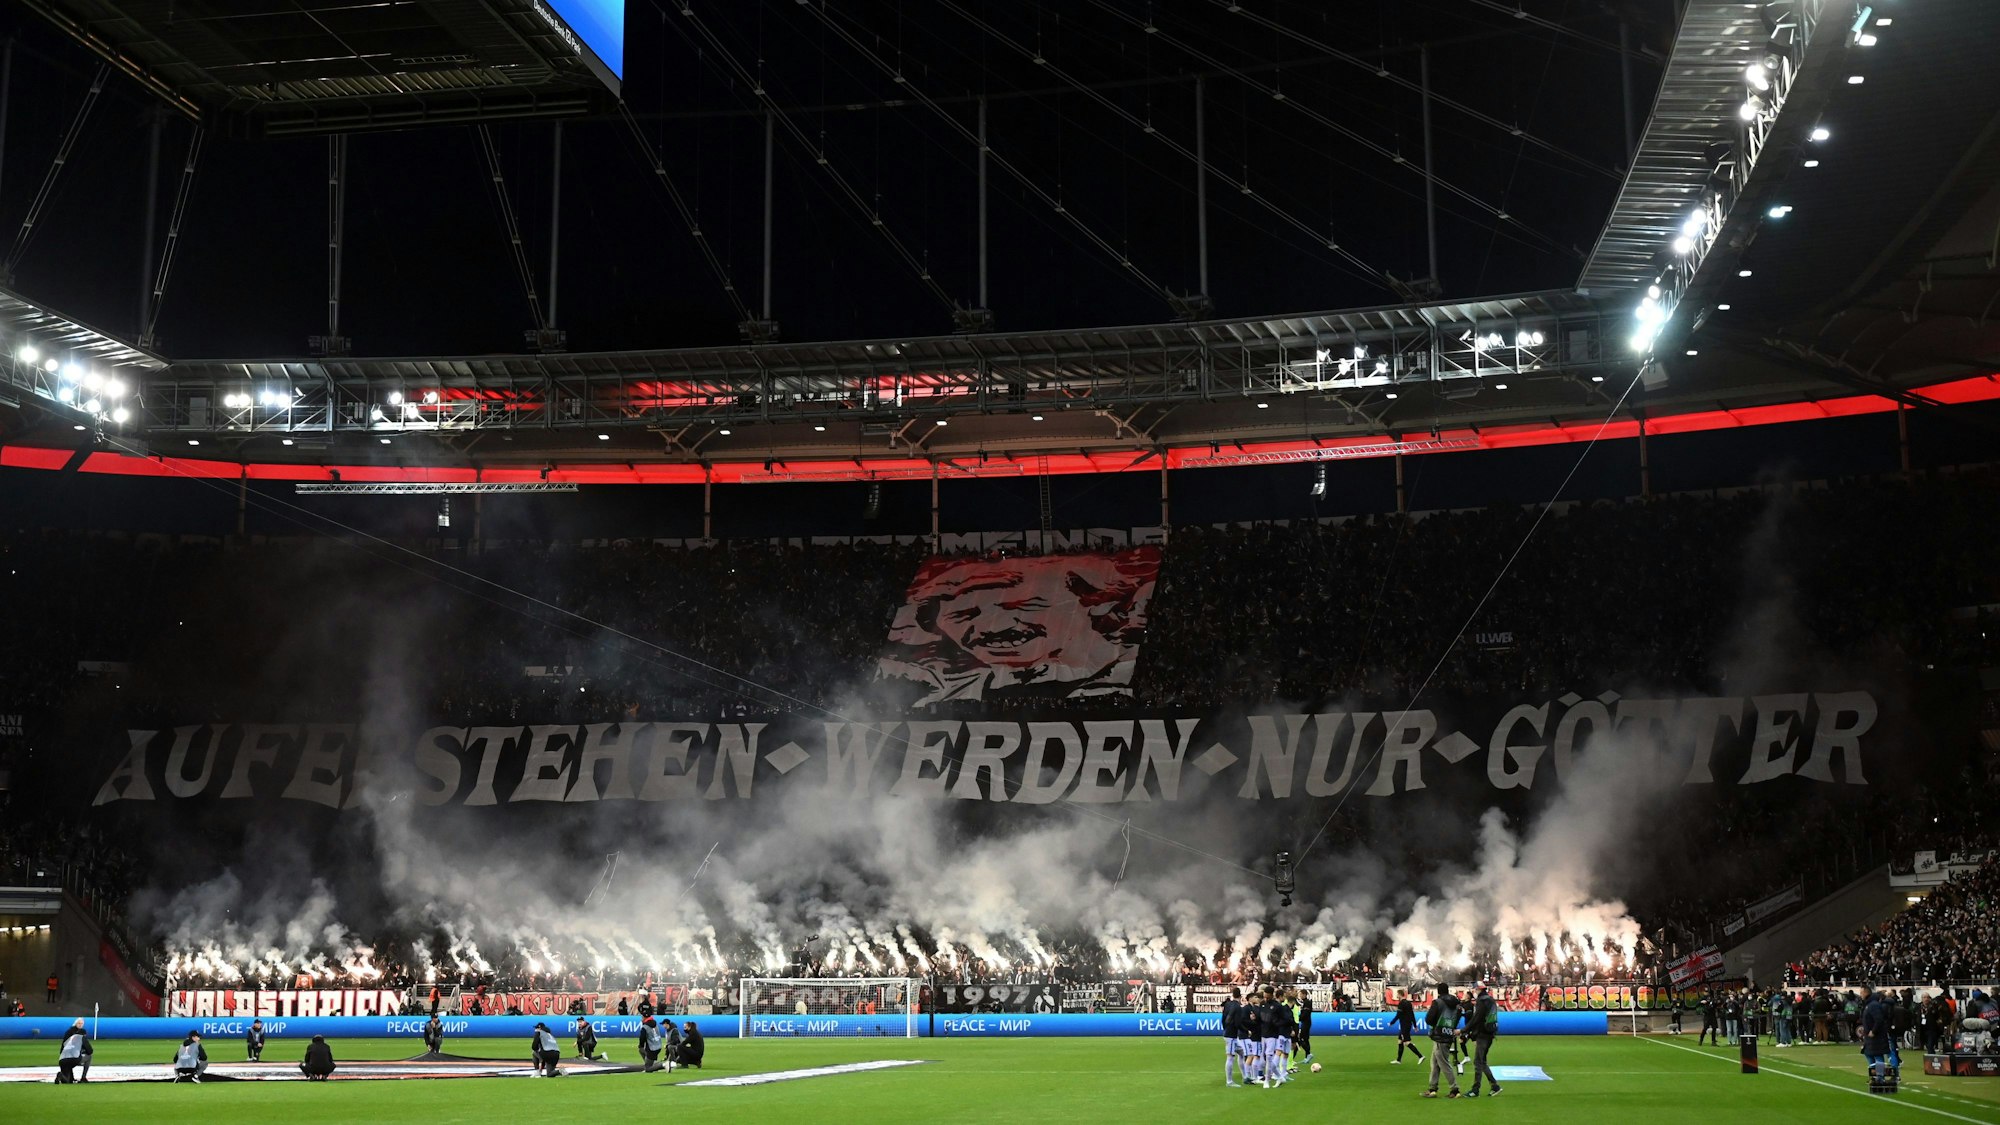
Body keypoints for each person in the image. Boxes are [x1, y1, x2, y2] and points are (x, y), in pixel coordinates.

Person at [1423, 985, 1462, 1099]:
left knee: (1444, 1063)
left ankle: (1455, 1089)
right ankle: (1432, 1088)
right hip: (1448, 1034)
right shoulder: (1456, 1003)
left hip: (1439, 1035)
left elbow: (1429, 1019)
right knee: (1435, 1063)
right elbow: (1459, 1016)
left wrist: (1436, 1024)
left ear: (1438, 991)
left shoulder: (1438, 1002)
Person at [1464, 985, 1502, 1098]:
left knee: (1478, 1062)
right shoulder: (1490, 1000)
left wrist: (1464, 1031)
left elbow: (1477, 1018)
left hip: (1483, 1034)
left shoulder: (1481, 1001)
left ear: (1478, 990)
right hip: (1490, 1033)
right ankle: (1495, 1086)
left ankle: (1475, 1089)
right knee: (1482, 1061)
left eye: (1475, 989)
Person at [1860, 986, 1894, 1084]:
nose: (1860, 995)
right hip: (1870, 1036)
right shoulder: (1869, 1004)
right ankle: (1874, 1076)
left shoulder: (1873, 1005)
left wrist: (1873, 1031)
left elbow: (1879, 1019)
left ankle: (1880, 1077)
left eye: (1861, 992)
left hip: (1876, 1036)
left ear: (1866, 993)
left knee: (1878, 1055)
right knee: (1869, 1054)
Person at [1220, 987, 1244, 1087]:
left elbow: (1223, 1018)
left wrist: (1225, 1028)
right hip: (1231, 1035)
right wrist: (1245, 1030)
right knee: (1230, 1057)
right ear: (1240, 996)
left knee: (1242, 1052)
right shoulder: (1238, 1007)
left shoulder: (1228, 1004)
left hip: (1229, 1034)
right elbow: (1238, 1022)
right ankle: (1229, 1081)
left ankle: (1245, 1075)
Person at [56, 1018, 92, 1084]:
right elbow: (90, 1051)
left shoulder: (68, 1033)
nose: (80, 1025)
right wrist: (83, 1052)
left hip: (62, 1059)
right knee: (89, 1057)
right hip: (73, 1058)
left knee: (68, 1081)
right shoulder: (81, 1037)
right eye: (79, 1023)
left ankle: (61, 1075)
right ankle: (83, 1078)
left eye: (81, 1023)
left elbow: (63, 1045)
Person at [1392, 993, 1425, 1065]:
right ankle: (1398, 1060)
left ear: (1399, 995)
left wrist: (1392, 1022)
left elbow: (1398, 1015)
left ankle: (1420, 1056)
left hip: (1404, 1025)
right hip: (1408, 1024)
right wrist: (1415, 1025)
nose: (1397, 996)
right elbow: (1412, 1015)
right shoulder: (1409, 1003)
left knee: (1406, 1042)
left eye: (1397, 994)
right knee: (1400, 1041)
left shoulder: (1401, 1003)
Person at [1294, 988, 1315, 1066]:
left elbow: (1305, 1014)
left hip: (1306, 1023)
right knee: (1305, 1039)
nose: (1300, 996)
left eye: (1300, 995)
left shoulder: (1307, 1003)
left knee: (1301, 1039)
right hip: (1305, 1023)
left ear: (1304, 994)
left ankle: (1308, 1054)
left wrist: (1297, 1018)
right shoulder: (1305, 1003)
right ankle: (1307, 1056)